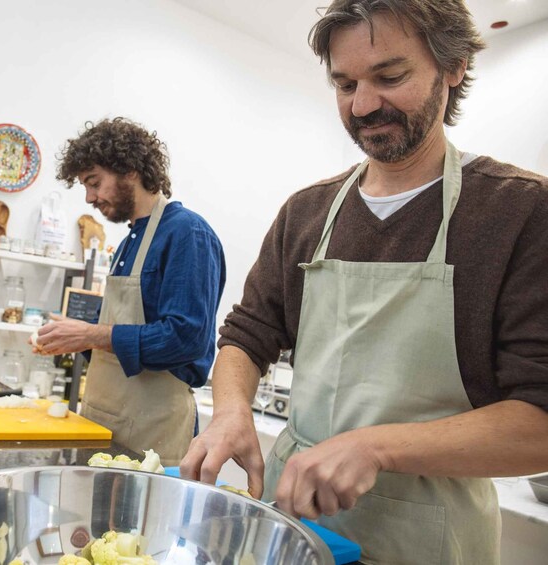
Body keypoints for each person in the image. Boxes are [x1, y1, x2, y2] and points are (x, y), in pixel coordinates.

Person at [180, 1, 548, 563]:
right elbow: (247, 334)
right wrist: (232, 410)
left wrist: (378, 448)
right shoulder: (307, 212)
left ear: (453, 66)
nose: (363, 105)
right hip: (292, 523)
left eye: (390, 77)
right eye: (344, 83)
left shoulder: (519, 212)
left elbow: (539, 420)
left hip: (430, 537)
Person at [32, 117, 226, 466]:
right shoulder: (127, 243)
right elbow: (120, 327)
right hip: (105, 421)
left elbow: (186, 338)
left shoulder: (188, 234)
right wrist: (73, 338)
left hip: (154, 432)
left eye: (94, 183)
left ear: (130, 170)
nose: (90, 197)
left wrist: (91, 334)